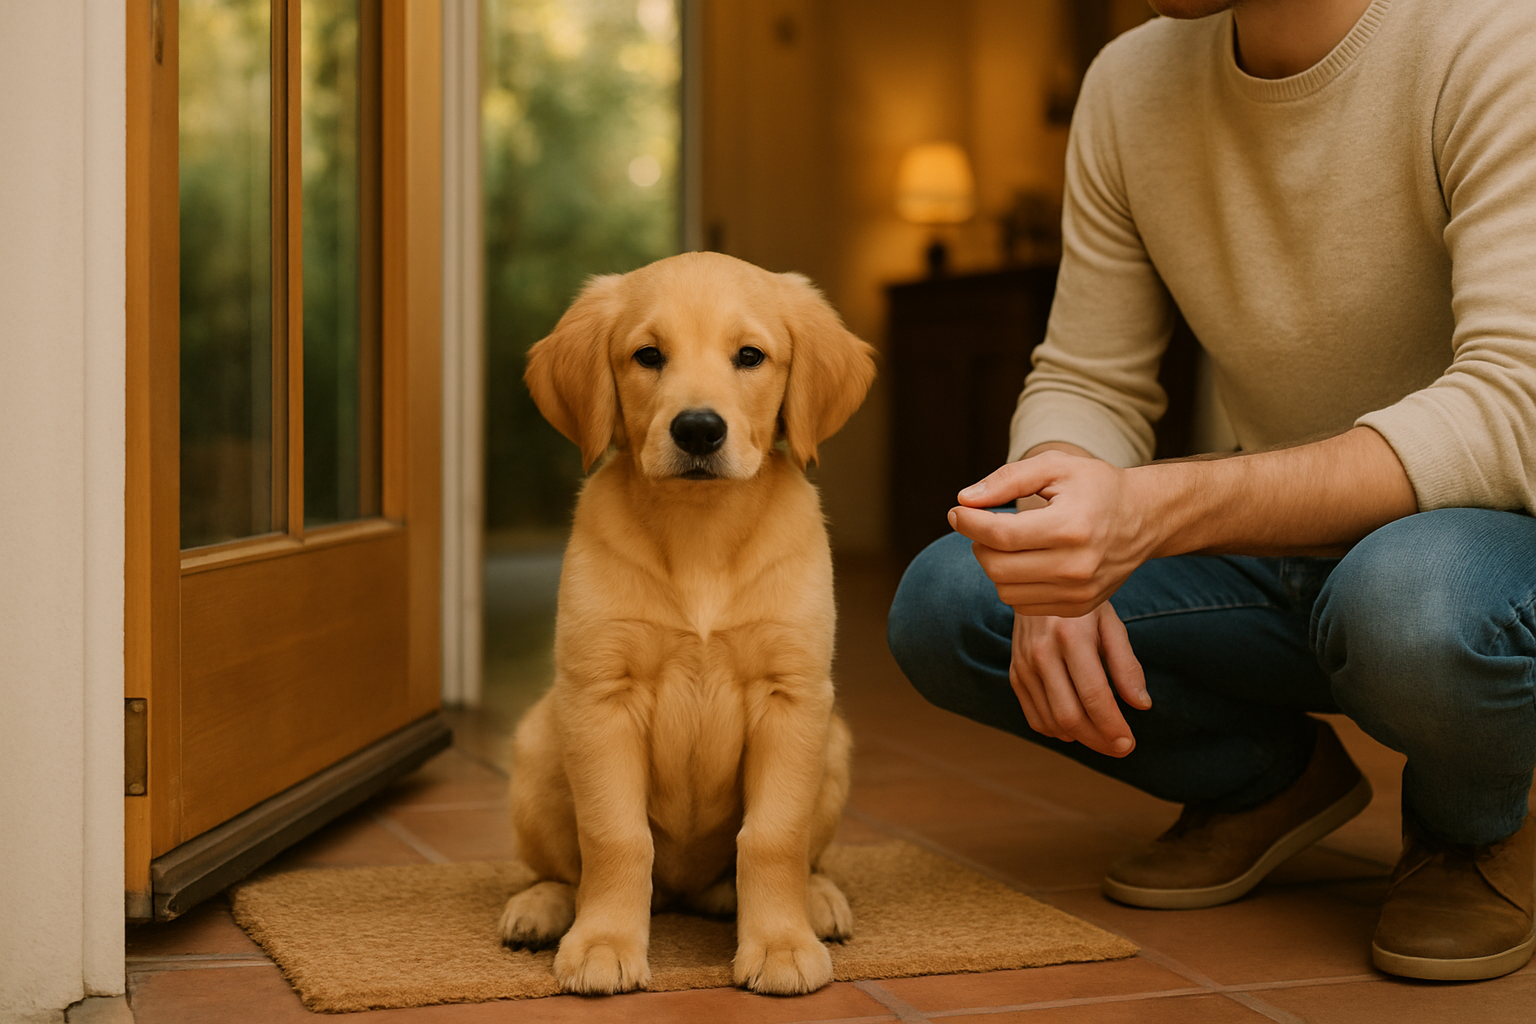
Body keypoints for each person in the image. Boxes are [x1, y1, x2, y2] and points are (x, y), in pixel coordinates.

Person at [886, 0, 1536, 982]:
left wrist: (1154, 510)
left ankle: (1473, 829)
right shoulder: (1127, 82)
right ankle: (1263, 783)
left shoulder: (1495, 36)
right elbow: (1087, 379)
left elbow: (1513, 406)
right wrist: (1052, 541)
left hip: (1477, 559)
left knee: (1412, 598)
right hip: (1284, 564)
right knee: (957, 596)